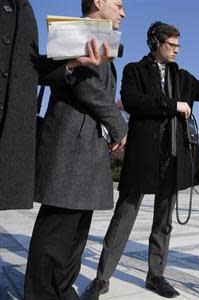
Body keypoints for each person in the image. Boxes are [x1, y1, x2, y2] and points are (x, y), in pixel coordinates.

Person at [82, 21, 199, 299]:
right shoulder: (134, 71)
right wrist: (173, 105)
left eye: (178, 46)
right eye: (171, 45)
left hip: (172, 156)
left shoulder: (183, 77)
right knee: (124, 216)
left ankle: (156, 275)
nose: (176, 50)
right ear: (155, 43)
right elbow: (132, 101)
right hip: (142, 155)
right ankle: (102, 278)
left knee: (163, 220)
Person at [24, 0, 127, 299]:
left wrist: (110, 131)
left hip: (89, 146)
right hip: (70, 145)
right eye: (118, 4)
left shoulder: (101, 39)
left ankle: (62, 288)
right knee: (57, 229)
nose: (123, 12)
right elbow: (86, 86)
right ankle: (42, 293)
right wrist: (121, 128)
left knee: (76, 232)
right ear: (98, 2)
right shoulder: (75, 34)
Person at [0, 0, 110, 210]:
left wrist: (72, 62)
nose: (122, 13)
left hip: (11, 125)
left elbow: (29, 68)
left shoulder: (25, 9)